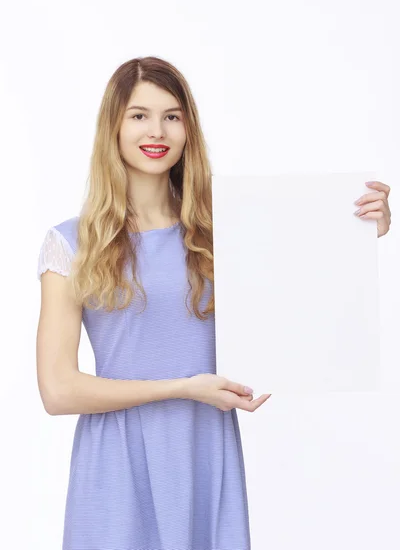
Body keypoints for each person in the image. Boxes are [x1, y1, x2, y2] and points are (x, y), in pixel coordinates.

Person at [36, 56, 392, 550]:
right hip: (116, 465)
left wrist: (356, 232)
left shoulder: (223, 234)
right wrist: (182, 387)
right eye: (138, 115)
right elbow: (58, 390)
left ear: (188, 129)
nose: (156, 130)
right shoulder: (72, 242)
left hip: (203, 454)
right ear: (113, 127)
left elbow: (303, 295)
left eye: (172, 115)